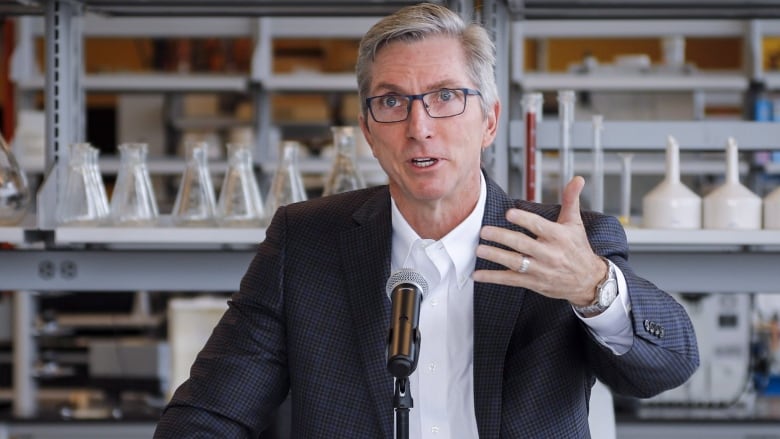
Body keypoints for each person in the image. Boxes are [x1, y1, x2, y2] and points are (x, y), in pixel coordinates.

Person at [154, 3, 699, 438]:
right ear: (368, 130)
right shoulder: (306, 243)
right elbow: (210, 415)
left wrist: (593, 287)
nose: (419, 126)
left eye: (445, 97)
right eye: (391, 101)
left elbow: (670, 365)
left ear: (488, 121)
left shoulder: (560, 245)